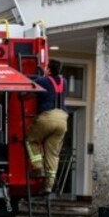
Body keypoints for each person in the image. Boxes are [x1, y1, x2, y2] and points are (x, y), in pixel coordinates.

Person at [25, 60, 68, 195]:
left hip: (47, 117)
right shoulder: (64, 82)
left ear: (49, 69)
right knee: (53, 154)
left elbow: (28, 89)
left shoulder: (42, 81)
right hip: (62, 119)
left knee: (31, 140)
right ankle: (48, 186)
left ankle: (38, 168)